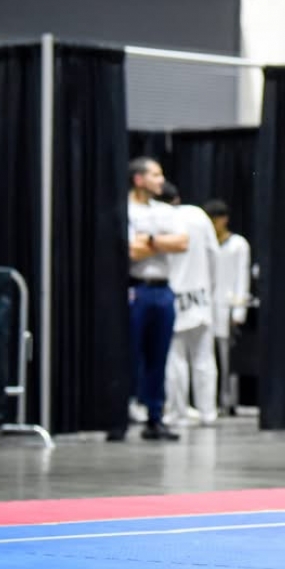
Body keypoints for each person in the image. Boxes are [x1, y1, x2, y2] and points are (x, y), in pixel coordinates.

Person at [125, 158, 188, 442]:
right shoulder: (127, 210)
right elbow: (131, 251)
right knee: (131, 353)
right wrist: (162, 242)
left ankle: (155, 416)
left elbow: (182, 242)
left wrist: (149, 240)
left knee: (158, 356)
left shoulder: (165, 211)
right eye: (155, 174)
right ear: (139, 179)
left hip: (163, 291)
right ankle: (123, 412)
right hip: (136, 289)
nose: (161, 180)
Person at [159, 183, 220, 428]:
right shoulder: (197, 215)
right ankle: (208, 412)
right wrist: (209, 286)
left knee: (175, 359)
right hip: (200, 294)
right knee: (204, 358)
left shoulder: (159, 219)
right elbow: (214, 253)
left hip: (171, 293)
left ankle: (178, 412)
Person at [203, 199, 252, 415]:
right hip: (206, 305)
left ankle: (228, 400)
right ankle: (208, 402)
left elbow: (242, 275)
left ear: (224, 220)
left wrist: (239, 309)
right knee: (206, 357)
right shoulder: (206, 244)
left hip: (228, 306)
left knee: (228, 359)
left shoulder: (238, 244)